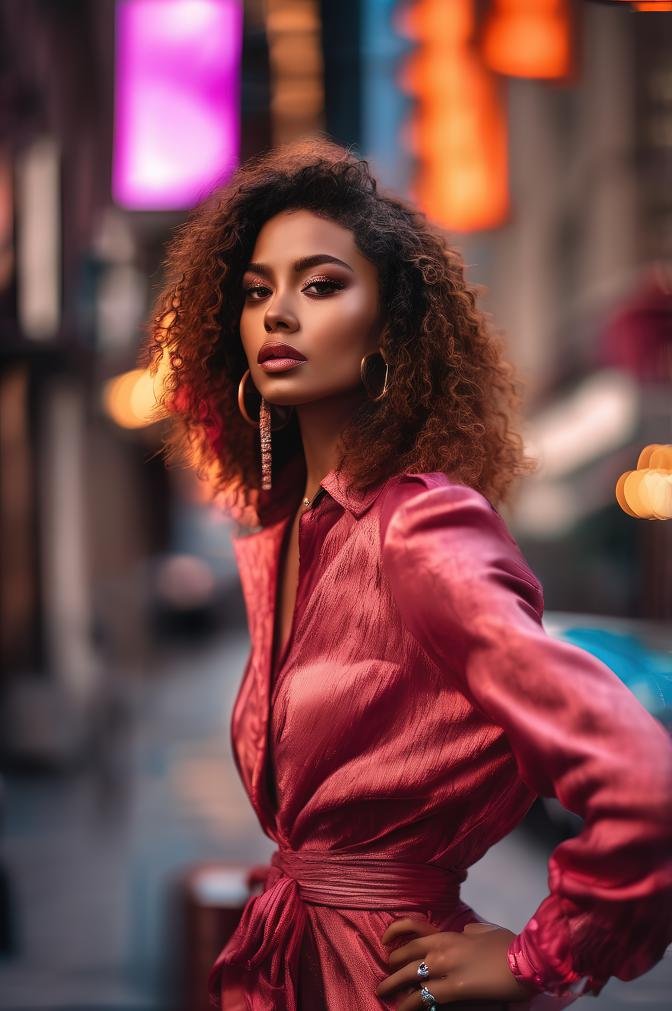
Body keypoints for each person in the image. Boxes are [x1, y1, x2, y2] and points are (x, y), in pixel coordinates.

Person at [143, 139, 672, 1011]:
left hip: (390, 985)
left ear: (389, 326)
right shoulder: (292, 541)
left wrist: (540, 955)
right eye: (255, 290)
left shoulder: (423, 524)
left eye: (319, 285)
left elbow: (643, 781)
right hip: (292, 971)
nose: (279, 312)